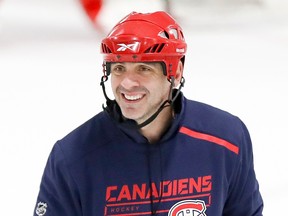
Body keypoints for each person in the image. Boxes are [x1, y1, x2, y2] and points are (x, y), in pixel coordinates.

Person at [34, 11, 263, 216]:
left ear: (175, 72)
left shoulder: (226, 140)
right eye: (119, 68)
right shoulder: (72, 157)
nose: (127, 83)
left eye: (144, 69)